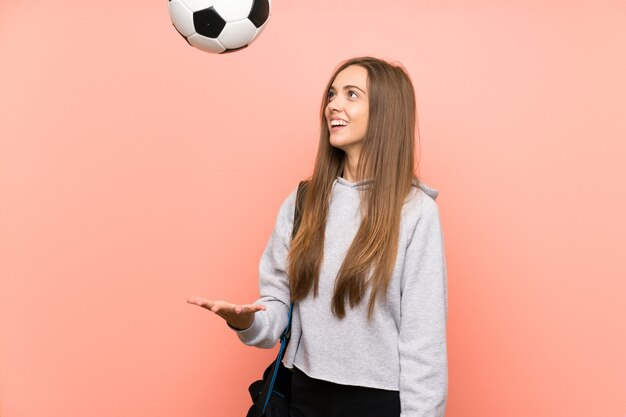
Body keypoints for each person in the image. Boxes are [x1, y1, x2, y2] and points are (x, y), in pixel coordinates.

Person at [188, 56, 448, 417]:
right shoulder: (303, 201)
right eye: (331, 94)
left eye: (351, 94)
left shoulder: (416, 212)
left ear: (386, 112)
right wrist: (246, 321)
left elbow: (425, 345)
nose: (333, 105)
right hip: (303, 394)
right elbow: (277, 306)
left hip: (377, 403)